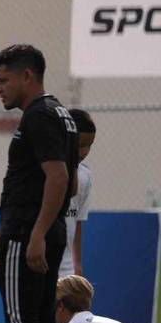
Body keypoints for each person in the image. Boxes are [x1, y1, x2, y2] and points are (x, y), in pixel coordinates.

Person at [0, 44, 82, 323]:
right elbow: (71, 180)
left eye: (4, 80)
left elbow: (58, 177)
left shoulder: (39, 115)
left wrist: (36, 233)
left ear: (28, 76)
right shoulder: (62, 114)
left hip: (28, 233)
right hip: (45, 228)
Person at [58, 110, 96, 279]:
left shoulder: (85, 176)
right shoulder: (47, 171)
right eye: (80, 145)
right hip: (42, 261)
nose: (85, 151)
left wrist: (77, 264)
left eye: (90, 145)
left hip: (66, 267)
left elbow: (78, 221)